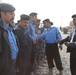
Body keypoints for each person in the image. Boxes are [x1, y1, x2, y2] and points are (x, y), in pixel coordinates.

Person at [0, 3, 19, 75]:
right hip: (4, 68)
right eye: (11, 14)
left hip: (12, 64)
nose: (13, 16)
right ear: (2, 14)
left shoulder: (11, 28)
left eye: (14, 14)